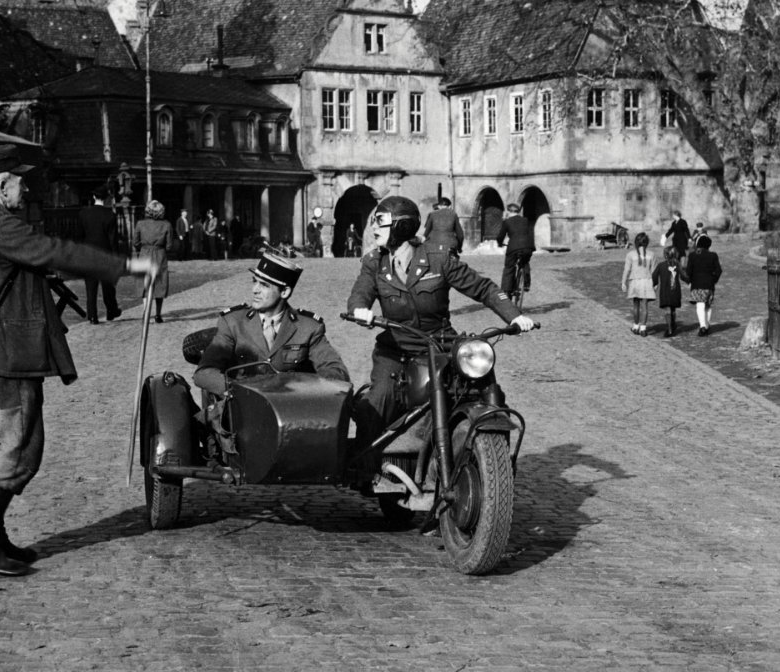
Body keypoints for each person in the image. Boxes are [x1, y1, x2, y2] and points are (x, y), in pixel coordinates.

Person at [0, 145, 155, 576]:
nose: (25, 187)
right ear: (1, 185)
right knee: (20, 451)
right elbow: (59, 252)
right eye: (19, 180)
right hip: (7, 362)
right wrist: (128, 265)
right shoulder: (2, 228)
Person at [347, 196, 535, 480]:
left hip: (440, 344)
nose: (374, 228)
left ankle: (497, 466)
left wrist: (514, 316)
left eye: (380, 222)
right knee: (379, 400)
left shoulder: (439, 258)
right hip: (396, 349)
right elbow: (360, 292)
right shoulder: (375, 262)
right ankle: (365, 469)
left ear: (401, 226)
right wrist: (359, 310)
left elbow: (482, 288)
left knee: (482, 385)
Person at [194, 251, 350, 398]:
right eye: (254, 282)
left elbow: (336, 370)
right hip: (240, 412)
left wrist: (310, 388)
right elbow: (204, 372)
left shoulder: (308, 328)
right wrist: (235, 390)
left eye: (264, 285)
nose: (255, 290)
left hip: (289, 411)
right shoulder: (233, 323)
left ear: (285, 292)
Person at [75, 189, 121, 325]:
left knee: (90, 287)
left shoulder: (83, 214)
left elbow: (79, 237)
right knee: (108, 286)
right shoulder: (110, 215)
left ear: (94, 196)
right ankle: (111, 311)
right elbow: (113, 240)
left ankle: (93, 316)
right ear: (106, 198)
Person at [133, 199, 171, 323]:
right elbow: (169, 246)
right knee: (159, 284)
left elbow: (135, 242)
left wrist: (143, 247)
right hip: (160, 254)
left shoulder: (140, 224)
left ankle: (146, 311)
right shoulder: (166, 225)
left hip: (144, 254)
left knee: (145, 284)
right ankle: (158, 314)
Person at [621, 232, 660, 335]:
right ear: (647, 243)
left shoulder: (630, 255)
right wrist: (656, 283)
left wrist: (623, 282)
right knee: (645, 306)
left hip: (635, 282)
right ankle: (643, 328)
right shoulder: (651, 255)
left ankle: (635, 325)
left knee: (636, 305)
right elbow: (654, 271)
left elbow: (626, 269)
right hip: (647, 282)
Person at [496, 202, 535, 299]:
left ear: (509, 211)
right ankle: (526, 284)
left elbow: (500, 236)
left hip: (513, 248)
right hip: (527, 247)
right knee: (525, 262)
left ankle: (506, 291)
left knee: (509, 268)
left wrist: (499, 243)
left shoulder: (507, 222)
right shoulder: (525, 220)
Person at [686, 234, 722, 336]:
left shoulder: (693, 255)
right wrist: (713, 280)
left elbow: (689, 271)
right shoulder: (713, 255)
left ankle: (702, 326)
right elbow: (719, 270)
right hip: (709, 284)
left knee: (700, 304)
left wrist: (689, 280)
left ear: (698, 244)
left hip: (697, 284)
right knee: (708, 305)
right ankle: (707, 325)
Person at [652, 247, 687, 337]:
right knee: (673, 309)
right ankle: (673, 324)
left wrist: (654, 284)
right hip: (675, 290)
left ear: (665, 255)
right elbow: (684, 276)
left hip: (665, 291)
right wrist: (690, 281)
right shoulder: (677, 264)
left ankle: (670, 328)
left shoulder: (661, 265)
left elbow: (654, 276)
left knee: (667, 310)